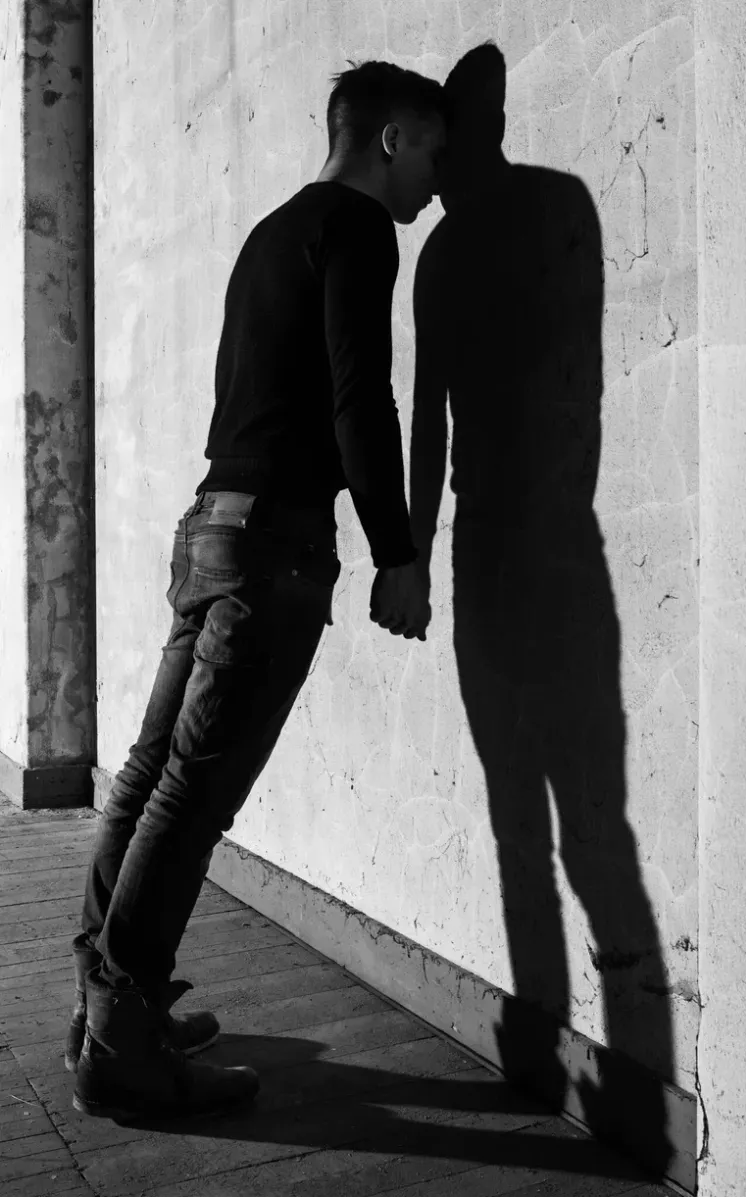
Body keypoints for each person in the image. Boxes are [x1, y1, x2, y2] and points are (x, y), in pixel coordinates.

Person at [67, 60, 447, 1124]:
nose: (437, 184)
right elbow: (360, 396)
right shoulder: (357, 229)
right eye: (432, 152)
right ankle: (123, 1040)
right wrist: (398, 551)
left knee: (150, 779)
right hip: (273, 543)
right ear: (387, 139)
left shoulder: (272, 230)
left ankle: (106, 1004)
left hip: (210, 528)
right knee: (189, 798)